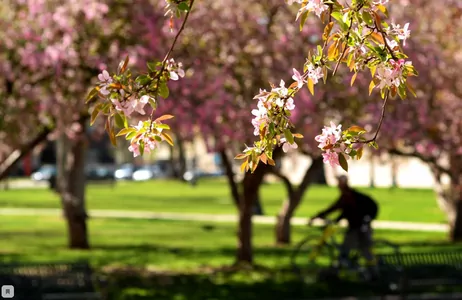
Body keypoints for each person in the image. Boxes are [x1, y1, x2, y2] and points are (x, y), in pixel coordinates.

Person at [308, 175, 379, 275]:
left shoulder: (348, 195)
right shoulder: (348, 195)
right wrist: (323, 217)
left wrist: (322, 217)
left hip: (359, 226)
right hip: (357, 225)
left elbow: (340, 209)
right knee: (354, 249)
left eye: (339, 182)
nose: (338, 185)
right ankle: (342, 270)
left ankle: (372, 272)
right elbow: (342, 209)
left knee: (352, 249)